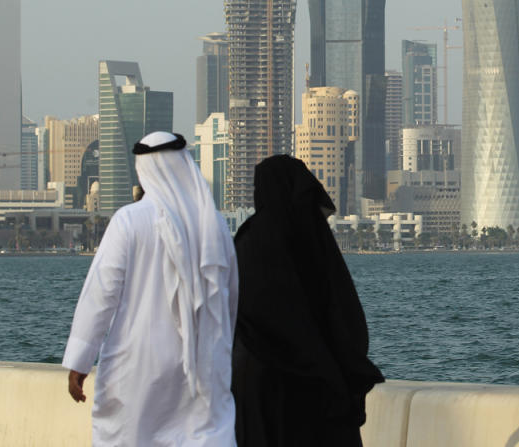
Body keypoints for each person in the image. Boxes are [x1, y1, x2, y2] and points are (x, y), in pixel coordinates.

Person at [62, 131, 238, 446]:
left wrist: (79, 361)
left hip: (137, 365)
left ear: (144, 170)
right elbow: (230, 298)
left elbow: (101, 295)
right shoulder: (214, 224)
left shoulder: (129, 220)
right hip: (202, 365)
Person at [232, 155, 384, 446]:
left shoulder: (251, 240)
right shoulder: (315, 240)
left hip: (262, 381)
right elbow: (344, 316)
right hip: (318, 383)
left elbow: (246, 311)